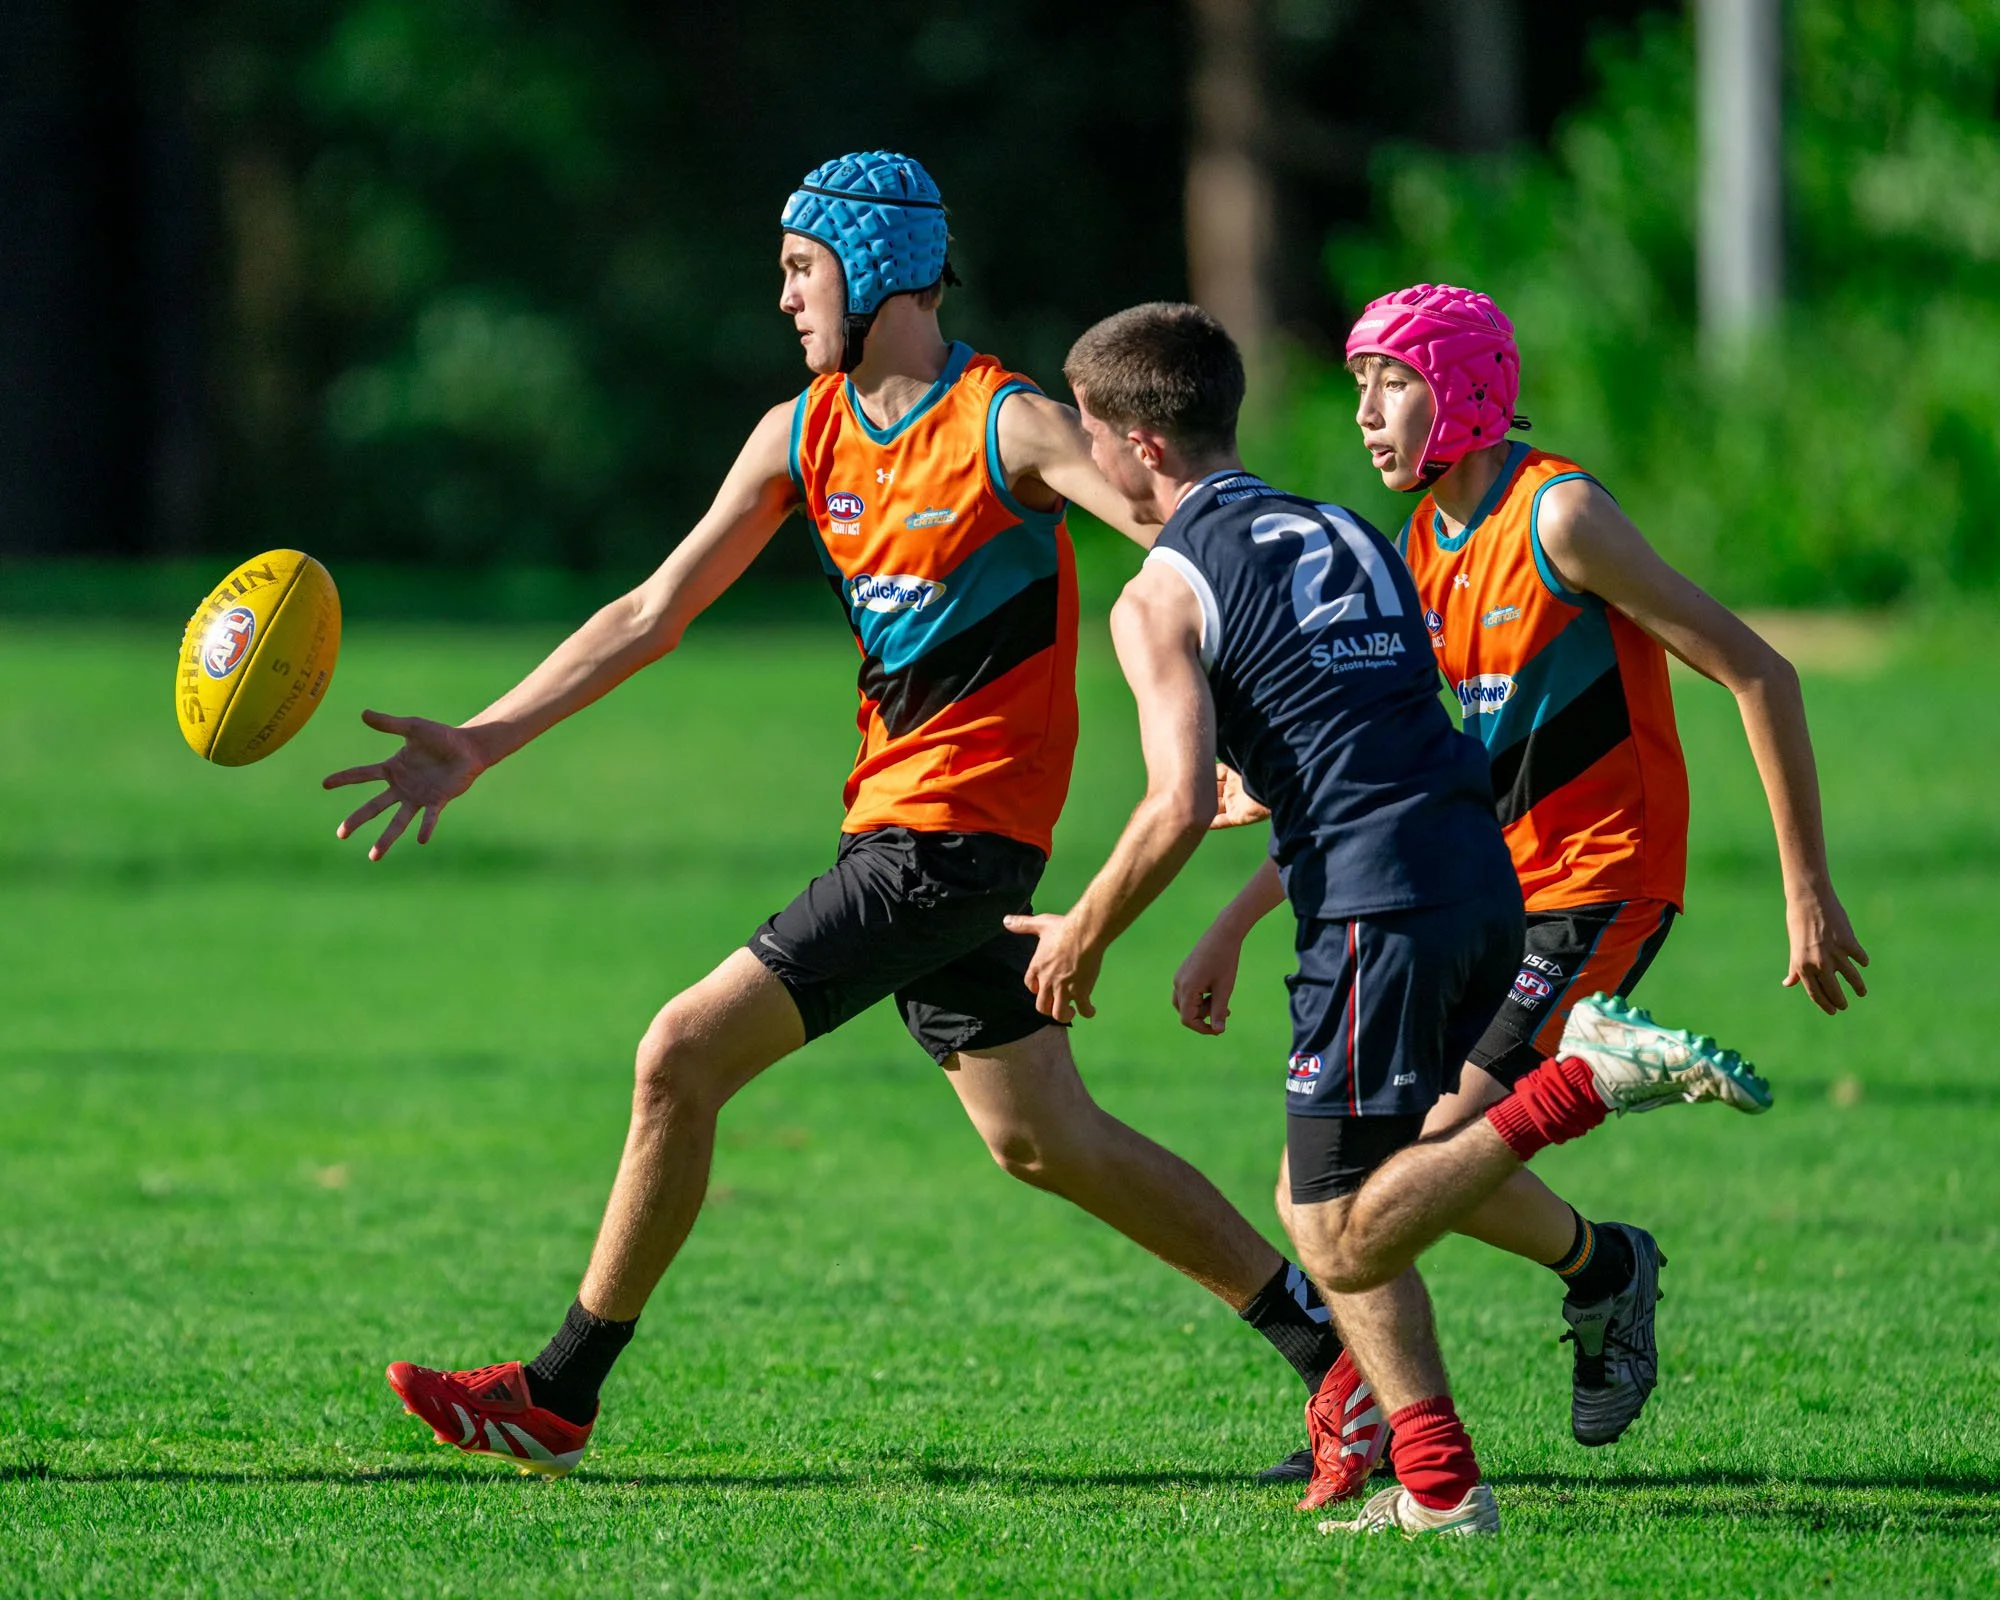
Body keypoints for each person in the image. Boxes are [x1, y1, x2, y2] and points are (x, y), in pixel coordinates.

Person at [324, 152, 1348, 1477]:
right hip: (904, 835)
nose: (785, 297)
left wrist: (1275, 730)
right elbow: (652, 611)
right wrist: (482, 739)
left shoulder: (1009, 426)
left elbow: (1195, 544)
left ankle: (559, 1393)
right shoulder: (800, 433)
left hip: (949, 845)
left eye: (802, 269)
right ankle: (1340, 1365)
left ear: (876, 269)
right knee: (1043, 1138)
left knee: (678, 1054)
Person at [1008, 300, 1772, 1536]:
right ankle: (1437, 1485)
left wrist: (1081, 932)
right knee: (1331, 1196)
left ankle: (1580, 1087)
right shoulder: (1351, 531)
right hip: (1478, 877)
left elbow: (1167, 805)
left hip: (1375, 904)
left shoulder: (1155, 595)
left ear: (1138, 445)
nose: (1080, 459)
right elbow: (1373, 732)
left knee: (1339, 1232)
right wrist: (1247, 883)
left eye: (1087, 434)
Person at [1180, 284, 1868, 1474]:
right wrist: (1235, 918)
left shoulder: (1561, 516)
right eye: (1356, 387)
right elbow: (1385, 782)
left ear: (1463, 390)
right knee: (1332, 1185)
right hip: (1481, 896)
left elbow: (1759, 672)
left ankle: (1459, 1386)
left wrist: (1804, 887)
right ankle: (1600, 1269)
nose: (1365, 414)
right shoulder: (1414, 550)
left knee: (1401, 1162)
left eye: (1391, 383)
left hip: (1599, 885)